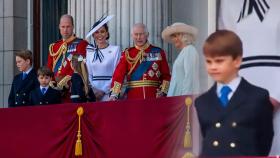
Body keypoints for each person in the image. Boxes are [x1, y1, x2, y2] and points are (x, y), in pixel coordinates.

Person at [195, 30, 273, 156]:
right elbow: (207, 136)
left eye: (219, 61)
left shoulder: (257, 97)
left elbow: (265, 140)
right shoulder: (202, 102)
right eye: (209, 61)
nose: (213, 67)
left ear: (237, 61)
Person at [109, 23, 171, 100]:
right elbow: (118, 75)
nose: (138, 37)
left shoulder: (158, 52)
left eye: (141, 34)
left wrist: (163, 91)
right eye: (136, 34)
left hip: (154, 97)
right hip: (133, 98)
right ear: (132, 36)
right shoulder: (127, 54)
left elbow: (166, 75)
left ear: (147, 35)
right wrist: (114, 94)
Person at [47, 14, 88, 102]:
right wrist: (52, 82)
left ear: (73, 27)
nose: (65, 30)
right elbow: (49, 68)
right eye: (63, 27)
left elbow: (79, 67)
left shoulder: (81, 44)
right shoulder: (54, 46)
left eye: (68, 27)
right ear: (59, 27)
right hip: (54, 91)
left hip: (72, 89)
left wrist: (63, 82)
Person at [85, 15, 121, 101]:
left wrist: (104, 91)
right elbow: (88, 74)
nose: (99, 35)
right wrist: (93, 91)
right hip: (93, 93)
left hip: (110, 94)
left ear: (107, 33)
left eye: (102, 31)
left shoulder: (115, 50)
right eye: (96, 32)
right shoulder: (89, 51)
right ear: (93, 35)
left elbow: (117, 73)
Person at [162, 22, 200, 96]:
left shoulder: (189, 50)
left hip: (183, 100)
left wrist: (184, 99)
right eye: (172, 37)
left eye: (175, 36)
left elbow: (190, 78)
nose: (173, 39)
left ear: (183, 36)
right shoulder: (184, 51)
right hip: (177, 98)